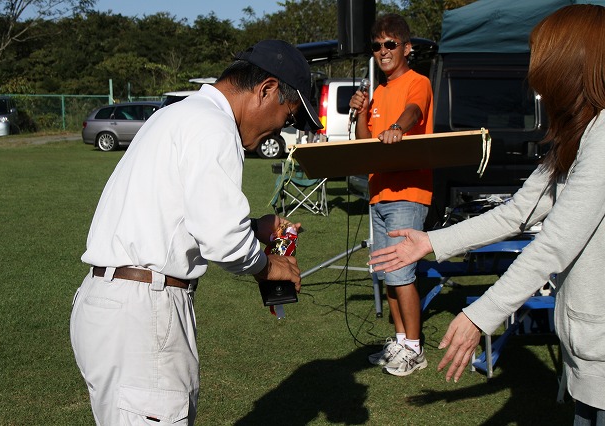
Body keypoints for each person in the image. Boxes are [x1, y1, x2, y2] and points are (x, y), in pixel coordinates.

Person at [368, 4, 605, 424]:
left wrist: (482, 313)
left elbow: (556, 242)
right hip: (588, 356)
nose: (534, 73)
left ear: (569, 63)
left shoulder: (602, 137)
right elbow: (517, 212)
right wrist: (431, 241)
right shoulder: (579, 133)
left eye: (540, 58)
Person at [70, 39, 322, 425]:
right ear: (267, 89)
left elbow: (177, 213)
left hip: (108, 303)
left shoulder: (177, 114)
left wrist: (254, 227)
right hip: (145, 310)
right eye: (287, 116)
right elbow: (223, 240)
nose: (279, 128)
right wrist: (269, 267)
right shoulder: (214, 127)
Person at [348, 13, 434, 376]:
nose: (382, 51)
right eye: (377, 46)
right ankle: (399, 341)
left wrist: (398, 127)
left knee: (401, 273)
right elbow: (364, 143)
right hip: (379, 193)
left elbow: (414, 111)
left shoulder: (418, 82)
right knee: (386, 273)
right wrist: (361, 113)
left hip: (408, 193)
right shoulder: (379, 92)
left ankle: (414, 348)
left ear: (406, 48)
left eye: (390, 44)